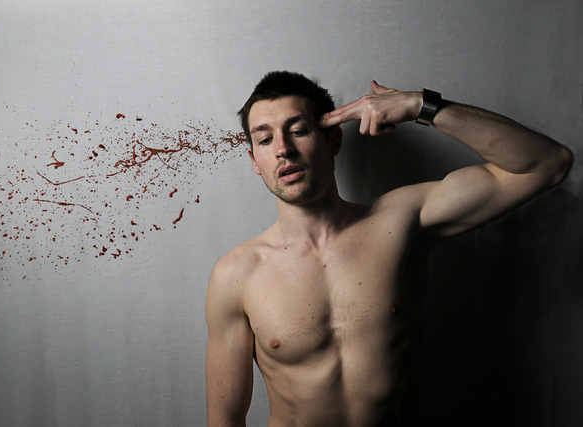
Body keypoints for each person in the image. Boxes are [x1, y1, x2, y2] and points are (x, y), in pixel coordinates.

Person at [205, 71, 573, 426]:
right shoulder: (236, 275)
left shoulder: (398, 222)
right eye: (265, 140)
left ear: (333, 141)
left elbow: (548, 164)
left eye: (298, 131)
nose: (283, 149)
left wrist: (421, 106)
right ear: (254, 161)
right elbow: (225, 420)